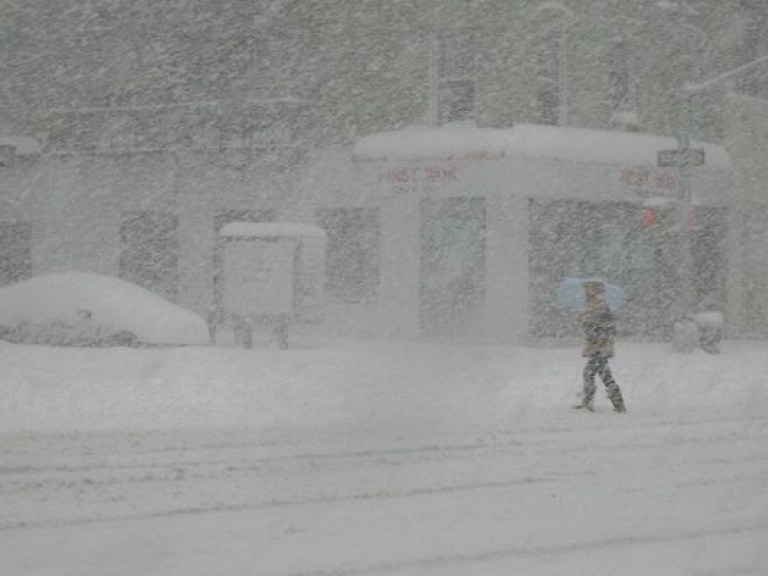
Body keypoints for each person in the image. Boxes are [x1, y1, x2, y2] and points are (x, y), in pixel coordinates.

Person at [573, 281, 627, 413]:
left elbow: (603, 327)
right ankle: (617, 402)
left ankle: (590, 402)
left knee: (590, 373)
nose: (585, 294)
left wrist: (588, 324)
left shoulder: (599, 306)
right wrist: (584, 320)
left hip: (599, 347)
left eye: (587, 290)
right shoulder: (595, 306)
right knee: (604, 375)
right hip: (599, 347)